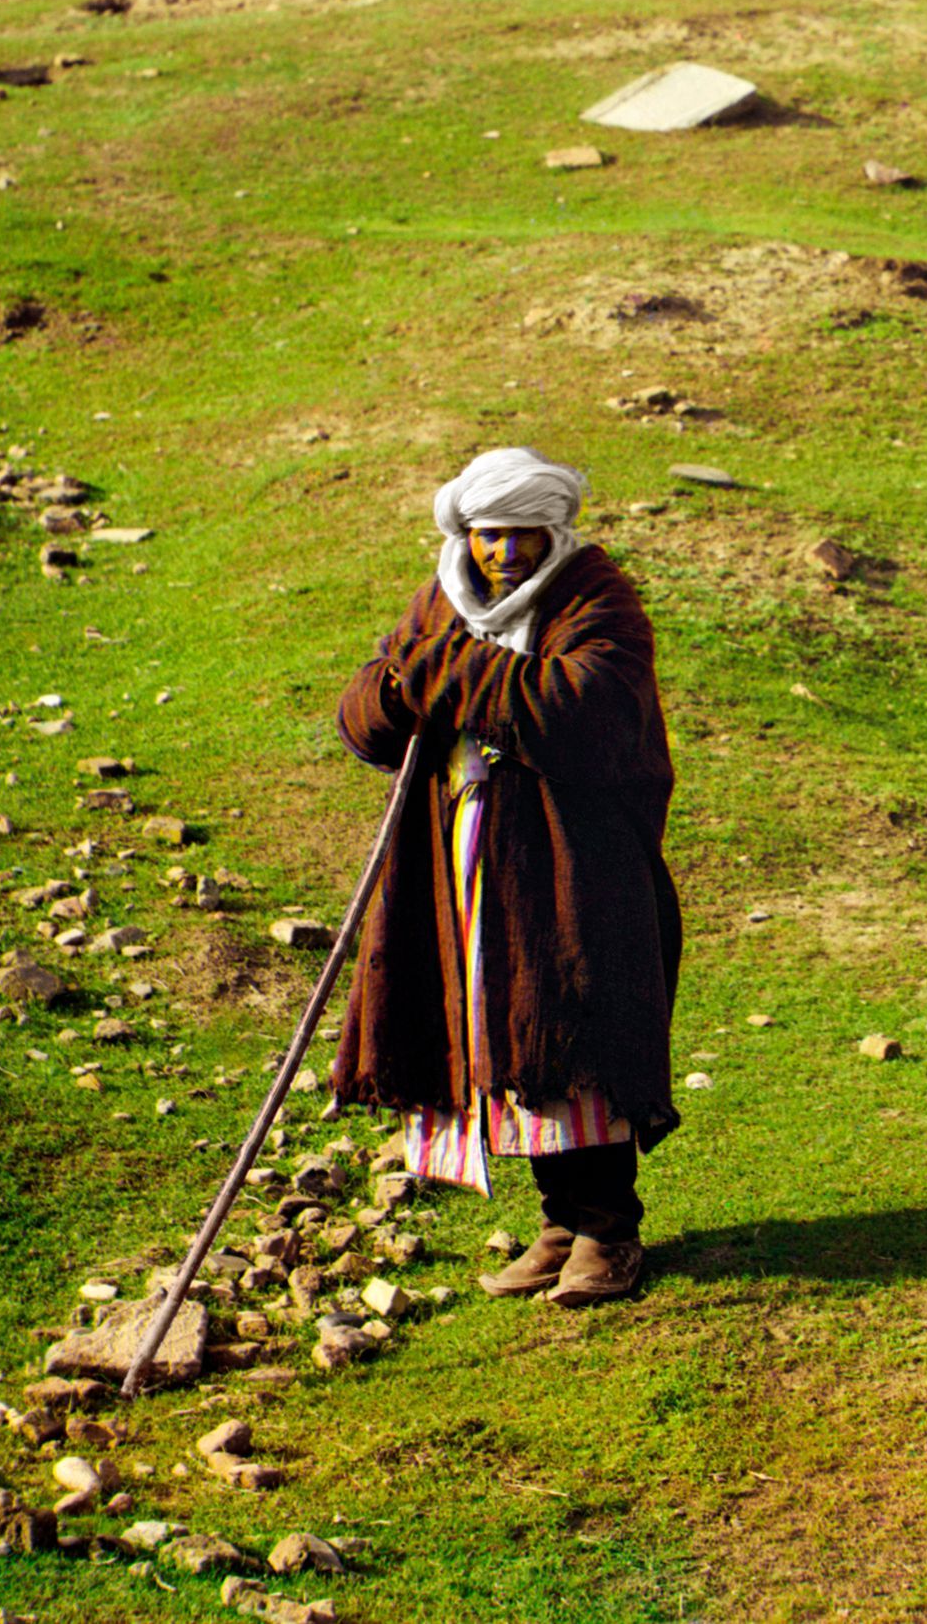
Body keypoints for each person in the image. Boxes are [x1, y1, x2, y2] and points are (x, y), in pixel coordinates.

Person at [331, 445, 681, 1307]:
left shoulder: (596, 597)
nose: (509, 554)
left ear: (553, 530)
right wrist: (391, 687)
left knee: (573, 1020)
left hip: (573, 867)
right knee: (502, 1038)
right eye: (492, 536)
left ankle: (609, 1230)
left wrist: (446, 669)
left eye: (526, 534)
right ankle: (559, 1222)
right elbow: (368, 719)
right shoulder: (442, 601)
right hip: (461, 862)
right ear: (466, 532)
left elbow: (586, 708)